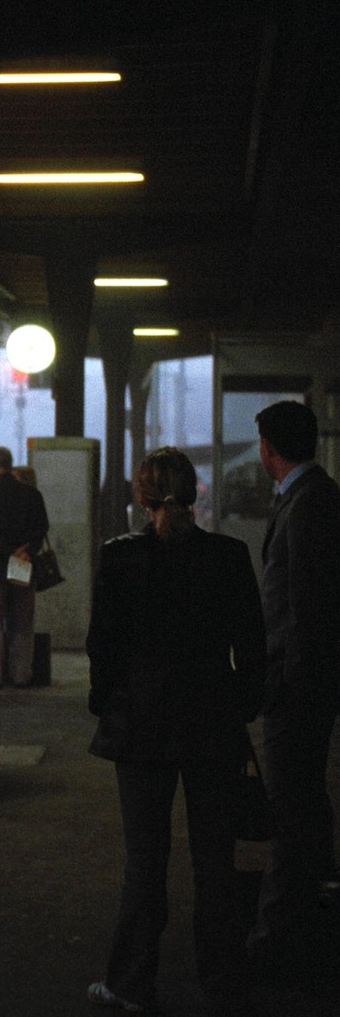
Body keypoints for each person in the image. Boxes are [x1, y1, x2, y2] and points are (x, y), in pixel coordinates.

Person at [83, 447, 265, 1014]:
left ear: (142, 496)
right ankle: (222, 979)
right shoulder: (229, 557)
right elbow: (252, 646)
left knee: (146, 861)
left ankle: (132, 983)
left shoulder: (119, 558)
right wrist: (240, 707)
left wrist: (105, 702)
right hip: (212, 726)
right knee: (215, 859)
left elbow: (102, 645)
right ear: (195, 493)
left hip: (139, 728)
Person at [246, 400, 340, 979]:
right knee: (306, 798)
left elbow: (307, 607)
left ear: (270, 448)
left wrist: (289, 683)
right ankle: (314, 903)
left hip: (298, 681)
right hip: (308, 678)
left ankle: (277, 936)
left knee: (289, 804)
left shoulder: (305, 506)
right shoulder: (316, 497)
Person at [0, 445, 50, 687]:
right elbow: (42, 527)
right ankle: (21, 675)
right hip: (23, 567)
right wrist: (25, 551)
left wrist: (6, 552)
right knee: (22, 624)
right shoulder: (31, 494)